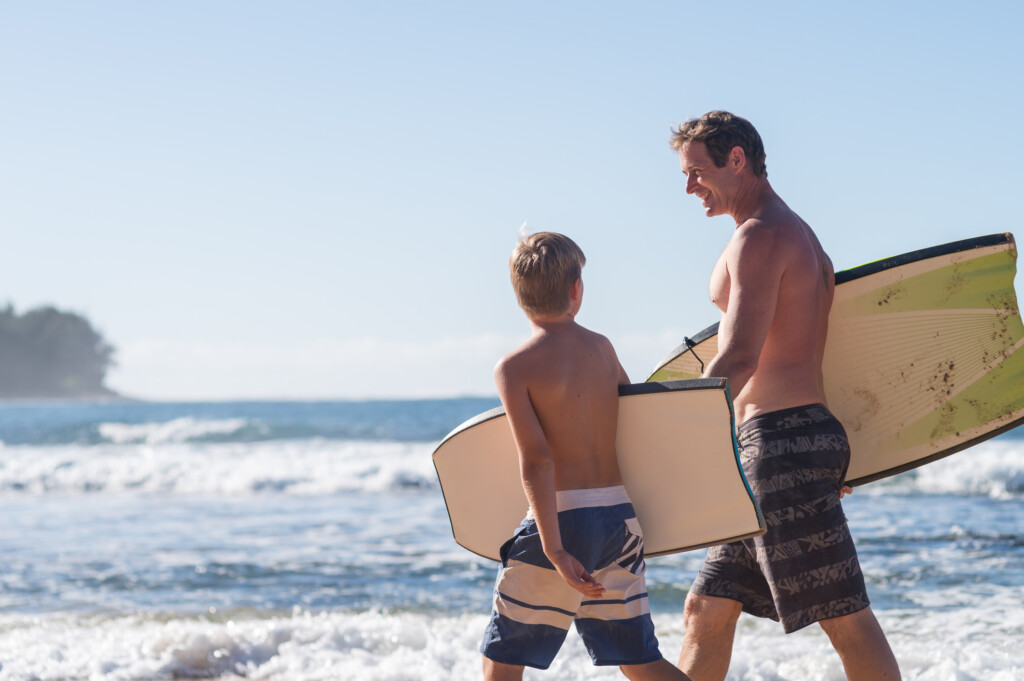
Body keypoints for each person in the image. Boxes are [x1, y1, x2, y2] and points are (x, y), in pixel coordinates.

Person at [668, 111, 901, 681]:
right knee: (707, 608)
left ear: (737, 159)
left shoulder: (762, 236)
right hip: (771, 447)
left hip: (779, 447)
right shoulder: (790, 233)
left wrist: (672, 432)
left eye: (697, 171)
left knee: (843, 615)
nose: (689, 185)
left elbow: (742, 356)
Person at [481, 232, 691, 681]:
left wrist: (554, 548)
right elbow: (638, 418)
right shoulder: (603, 348)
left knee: (502, 664)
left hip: (562, 520)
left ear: (518, 297)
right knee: (639, 660)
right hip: (618, 520)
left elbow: (537, 459)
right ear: (577, 290)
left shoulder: (514, 367)